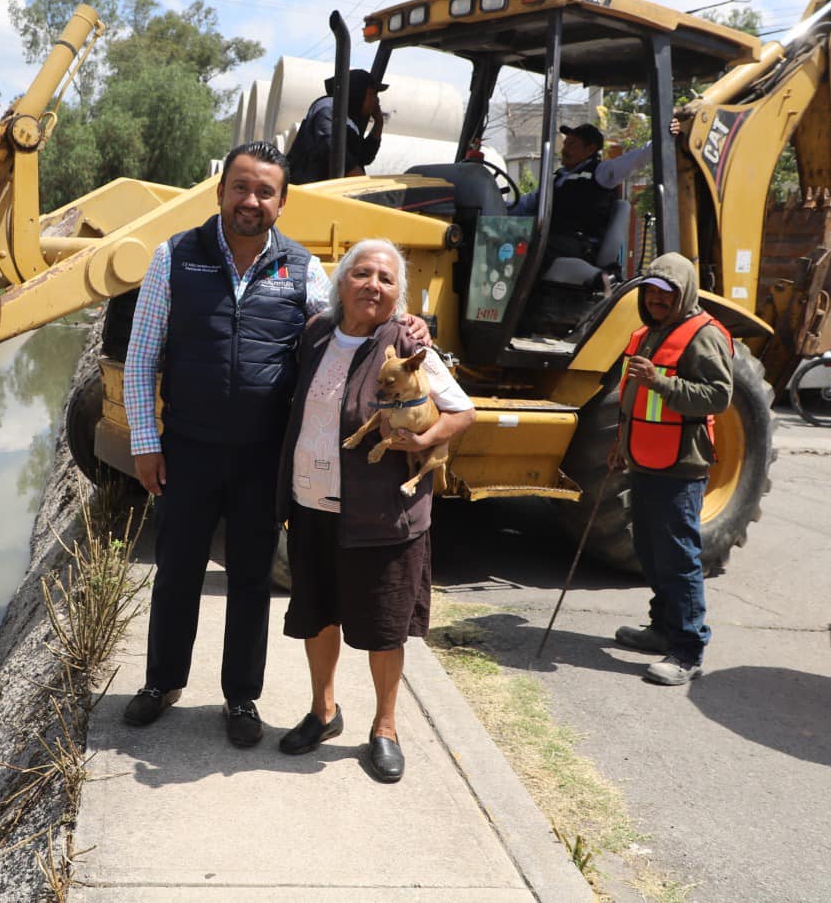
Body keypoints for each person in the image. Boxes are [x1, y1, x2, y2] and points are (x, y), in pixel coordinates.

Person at [119, 141, 428, 748]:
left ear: (282, 203)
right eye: (241, 187)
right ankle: (162, 682)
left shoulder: (303, 270)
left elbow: (352, 326)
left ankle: (240, 697)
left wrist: (410, 324)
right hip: (187, 448)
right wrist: (144, 440)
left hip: (263, 457)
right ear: (221, 191)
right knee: (176, 567)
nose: (251, 201)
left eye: (265, 192)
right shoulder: (174, 258)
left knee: (251, 578)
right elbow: (140, 357)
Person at [273, 238, 474, 781]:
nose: (373, 286)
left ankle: (385, 728)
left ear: (398, 296)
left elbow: (462, 412)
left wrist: (423, 437)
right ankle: (324, 711)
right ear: (341, 283)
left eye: (386, 279)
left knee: (384, 627)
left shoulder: (407, 345)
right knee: (318, 614)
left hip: (381, 516)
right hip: (313, 504)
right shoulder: (315, 335)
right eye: (362, 274)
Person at [611, 252, 734, 686]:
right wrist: (619, 444)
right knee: (649, 549)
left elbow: (717, 396)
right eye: (651, 293)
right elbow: (633, 395)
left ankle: (687, 649)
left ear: (683, 294)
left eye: (666, 294)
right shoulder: (649, 333)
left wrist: (660, 382)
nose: (657, 301)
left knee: (679, 558)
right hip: (643, 457)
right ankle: (662, 628)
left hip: (680, 466)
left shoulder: (704, 336)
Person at [514, 123, 652, 270]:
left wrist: (666, 132)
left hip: (580, 245)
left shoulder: (601, 172)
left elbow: (637, 158)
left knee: (531, 247)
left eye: (572, 145)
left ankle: (597, 279)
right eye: (565, 144)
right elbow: (524, 204)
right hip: (552, 239)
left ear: (590, 149)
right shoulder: (557, 178)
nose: (564, 150)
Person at [287, 69, 388, 185]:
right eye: (372, 94)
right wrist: (364, 185)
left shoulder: (350, 119)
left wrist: (379, 123)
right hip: (307, 190)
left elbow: (365, 157)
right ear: (357, 92)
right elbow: (331, 148)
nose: (376, 100)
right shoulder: (327, 108)